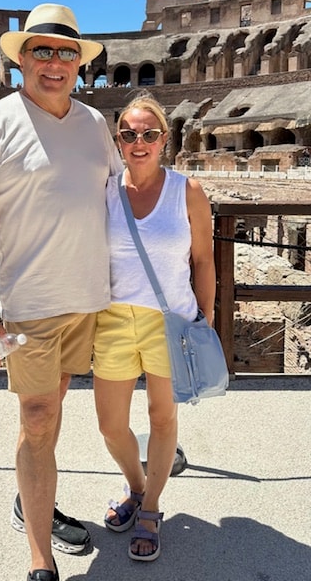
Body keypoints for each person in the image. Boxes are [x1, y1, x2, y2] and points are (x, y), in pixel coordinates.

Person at [0, 3, 123, 581]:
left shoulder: (94, 124)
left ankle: (33, 501)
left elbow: (117, 200)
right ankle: (39, 556)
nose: (55, 62)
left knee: (53, 411)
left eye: (67, 52)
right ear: (21, 58)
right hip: (28, 306)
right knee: (38, 413)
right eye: (43, 51)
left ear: (80, 63)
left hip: (88, 299)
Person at [93, 93, 216, 562]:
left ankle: (151, 508)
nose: (138, 141)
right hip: (114, 318)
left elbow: (203, 261)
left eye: (148, 133)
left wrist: (202, 320)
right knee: (110, 424)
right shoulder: (105, 191)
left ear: (164, 140)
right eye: (129, 134)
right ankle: (137, 485)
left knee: (162, 418)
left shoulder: (188, 191)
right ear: (119, 140)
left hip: (172, 320)